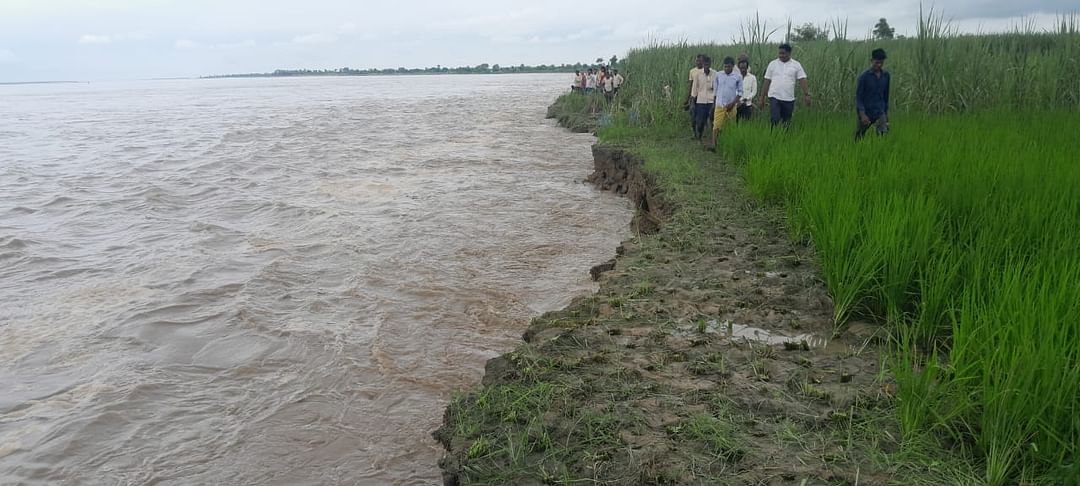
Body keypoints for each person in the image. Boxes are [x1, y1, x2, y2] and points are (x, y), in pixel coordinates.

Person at [758, 43, 810, 127]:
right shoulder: (773, 64)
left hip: (788, 98)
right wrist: (762, 97)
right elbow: (767, 81)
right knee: (775, 119)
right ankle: (773, 137)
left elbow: (802, 79)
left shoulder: (796, 65)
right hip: (774, 96)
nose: (781, 55)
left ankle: (784, 138)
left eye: (783, 53)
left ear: (789, 53)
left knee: (786, 122)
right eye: (780, 53)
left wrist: (806, 95)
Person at [855, 48, 891, 140]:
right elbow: (859, 98)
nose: (879, 65)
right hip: (867, 111)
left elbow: (886, 96)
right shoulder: (864, 77)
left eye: (881, 63)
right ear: (872, 61)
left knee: (883, 135)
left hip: (880, 111)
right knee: (859, 136)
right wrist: (862, 115)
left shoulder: (886, 76)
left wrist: (886, 115)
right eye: (877, 63)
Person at [709, 56, 742, 150]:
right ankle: (714, 145)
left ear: (733, 66)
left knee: (730, 126)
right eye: (725, 66)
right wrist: (714, 104)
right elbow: (715, 90)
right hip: (720, 105)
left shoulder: (737, 77)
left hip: (731, 105)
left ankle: (728, 144)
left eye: (729, 67)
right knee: (716, 125)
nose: (727, 68)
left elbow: (740, 92)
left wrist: (732, 104)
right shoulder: (719, 75)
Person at [689, 56, 717, 140]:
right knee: (700, 122)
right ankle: (700, 135)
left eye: (708, 65)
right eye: (705, 65)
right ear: (703, 64)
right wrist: (692, 101)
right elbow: (694, 89)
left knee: (712, 120)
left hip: (711, 101)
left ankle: (713, 139)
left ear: (710, 64)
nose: (706, 67)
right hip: (701, 100)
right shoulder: (698, 74)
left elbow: (717, 87)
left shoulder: (715, 74)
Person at [685, 54, 705, 126]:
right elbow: (691, 85)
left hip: (703, 97)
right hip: (694, 96)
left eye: (700, 61)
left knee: (702, 115)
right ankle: (695, 132)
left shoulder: (706, 70)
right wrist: (688, 98)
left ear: (703, 61)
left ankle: (701, 131)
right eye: (697, 60)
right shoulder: (692, 71)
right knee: (693, 114)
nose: (698, 62)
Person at [736, 56, 757, 122]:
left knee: (746, 123)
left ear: (747, 68)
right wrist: (738, 100)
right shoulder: (735, 77)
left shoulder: (752, 77)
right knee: (736, 123)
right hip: (737, 105)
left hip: (747, 104)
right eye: (741, 68)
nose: (743, 70)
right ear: (739, 68)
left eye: (744, 68)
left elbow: (754, 91)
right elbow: (733, 90)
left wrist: (747, 98)